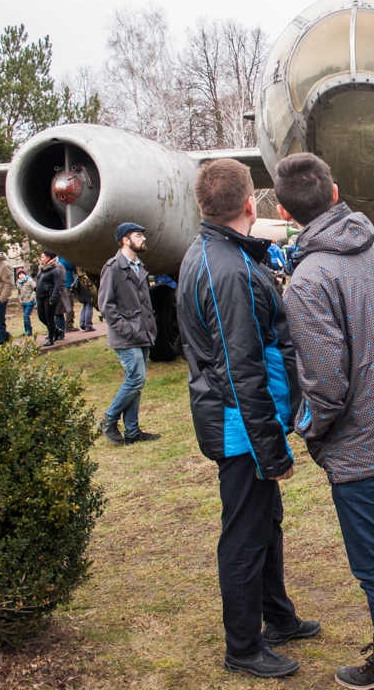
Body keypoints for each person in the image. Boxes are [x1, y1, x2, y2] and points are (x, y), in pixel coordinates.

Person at [274, 152, 374, 690]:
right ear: (336, 193)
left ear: (282, 209)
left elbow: (326, 386)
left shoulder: (308, 281)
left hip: (367, 448)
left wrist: (307, 428)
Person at [176, 160, 317, 680]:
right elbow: (240, 370)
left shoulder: (226, 254)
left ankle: (277, 616)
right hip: (242, 430)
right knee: (244, 536)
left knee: (267, 526)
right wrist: (270, 450)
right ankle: (243, 645)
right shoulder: (225, 269)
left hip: (252, 424)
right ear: (248, 205)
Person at [97, 224, 161, 447]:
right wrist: (127, 330)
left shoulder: (139, 265)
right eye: (138, 236)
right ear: (125, 240)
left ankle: (132, 431)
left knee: (137, 381)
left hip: (142, 332)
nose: (143, 239)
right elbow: (106, 305)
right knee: (135, 378)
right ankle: (109, 420)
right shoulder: (113, 267)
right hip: (126, 335)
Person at [34, 250, 68, 346]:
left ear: (48, 258)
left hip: (49, 296)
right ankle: (56, 330)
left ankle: (51, 338)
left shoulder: (55, 269)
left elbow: (58, 284)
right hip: (40, 296)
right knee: (41, 317)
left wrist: (53, 298)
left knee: (49, 318)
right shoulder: (42, 269)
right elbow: (39, 281)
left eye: (43, 257)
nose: (41, 259)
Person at [16, 266, 37, 335]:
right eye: (19, 275)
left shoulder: (30, 280)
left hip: (30, 301)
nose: (21, 276)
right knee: (24, 316)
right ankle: (26, 330)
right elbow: (19, 292)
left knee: (26, 315)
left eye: (22, 274)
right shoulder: (18, 283)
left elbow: (35, 290)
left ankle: (29, 330)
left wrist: (31, 298)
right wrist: (20, 299)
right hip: (24, 302)